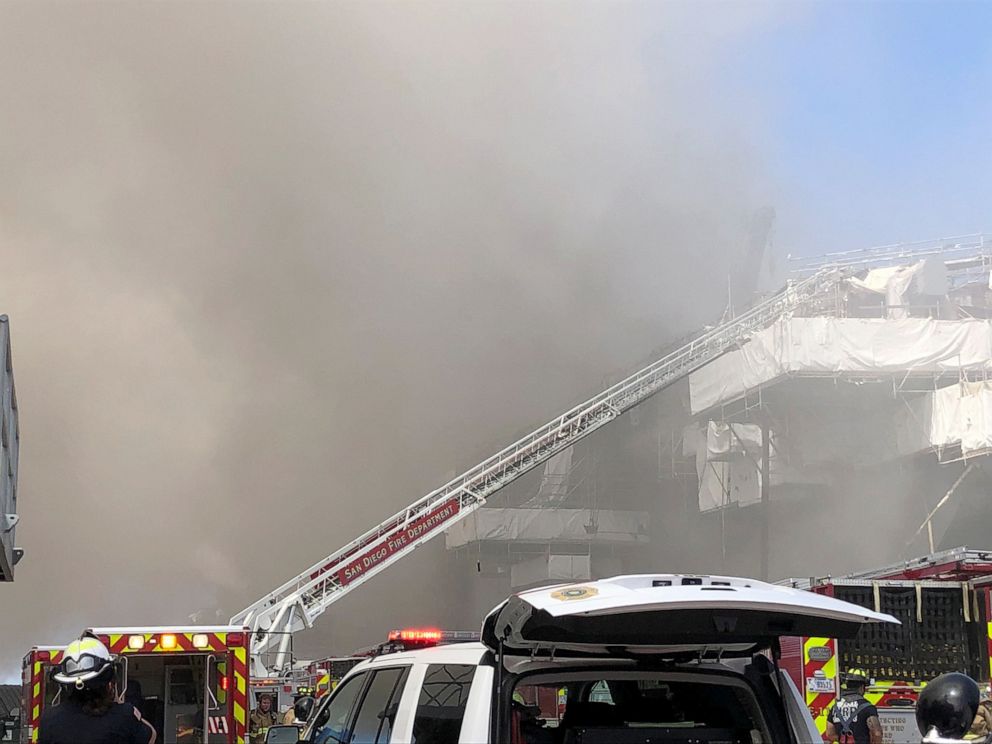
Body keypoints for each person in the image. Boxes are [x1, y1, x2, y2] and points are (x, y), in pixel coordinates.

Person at [38, 634, 156, 744]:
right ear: (108, 681)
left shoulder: (49, 719)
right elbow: (151, 737)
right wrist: (127, 708)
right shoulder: (124, 716)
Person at [825, 669, 882, 744]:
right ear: (862, 687)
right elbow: (877, 733)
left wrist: (844, 739)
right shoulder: (868, 707)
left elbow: (830, 734)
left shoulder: (835, 708)